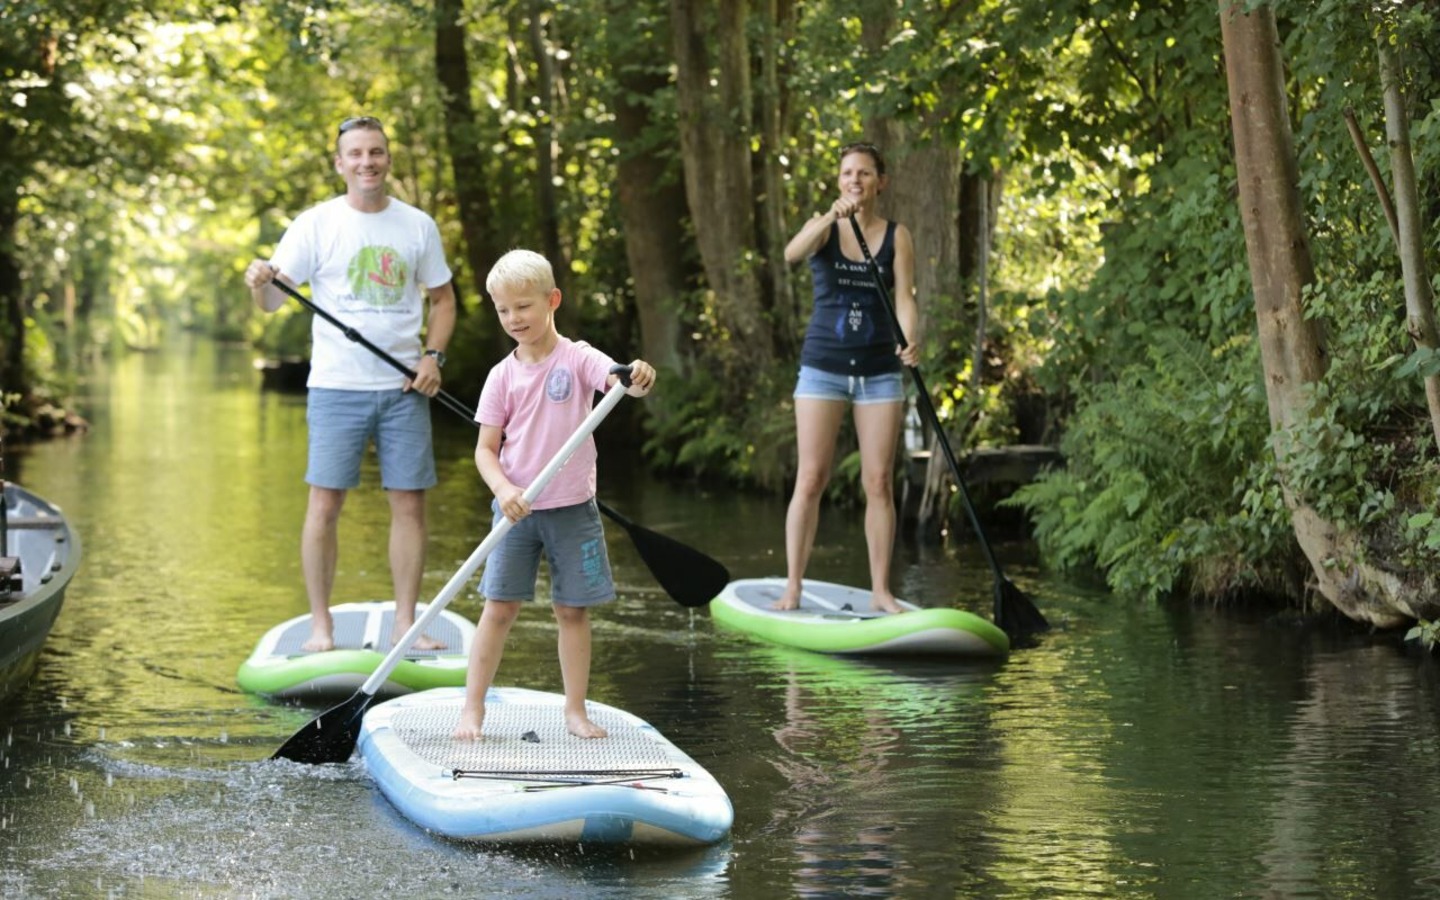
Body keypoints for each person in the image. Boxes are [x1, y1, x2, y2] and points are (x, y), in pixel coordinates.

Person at [244, 115, 457, 653]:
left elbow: (443, 300)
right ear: (340, 163)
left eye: (376, 152)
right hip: (336, 387)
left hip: (405, 387)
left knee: (409, 506)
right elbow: (272, 301)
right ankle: (321, 628)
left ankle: (405, 625)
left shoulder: (417, 226)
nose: (367, 162)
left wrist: (433, 357)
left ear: (388, 159)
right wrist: (259, 282)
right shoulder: (315, 224)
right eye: (356, 153)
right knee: (324, 506)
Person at [453, 249, 655, 741]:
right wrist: (503, 489)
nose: (513, 318)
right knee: (499, 608)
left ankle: (575, 711)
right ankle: (472, 711)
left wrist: (635, 376)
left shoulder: (578, 357)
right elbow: (485, 450)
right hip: (515, 511)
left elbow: (619, 380)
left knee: (571, 610)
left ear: (552, 301)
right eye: (503, 310)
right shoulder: (501, 376)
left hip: (573, 509)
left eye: (523, 306)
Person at [772, 141, 921, 615]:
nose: (855, 180)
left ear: (881, 182)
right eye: (847, 173)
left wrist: (910, 337)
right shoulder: (823, 228)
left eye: (864, 173)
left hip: (879, 372)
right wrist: (828, 219)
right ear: (839, 181)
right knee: (811, 478)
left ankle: (881, 591)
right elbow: (792, 254)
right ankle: (793, 588)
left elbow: (905, 298)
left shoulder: (897, 236)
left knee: (878, 481)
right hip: (823, 369)